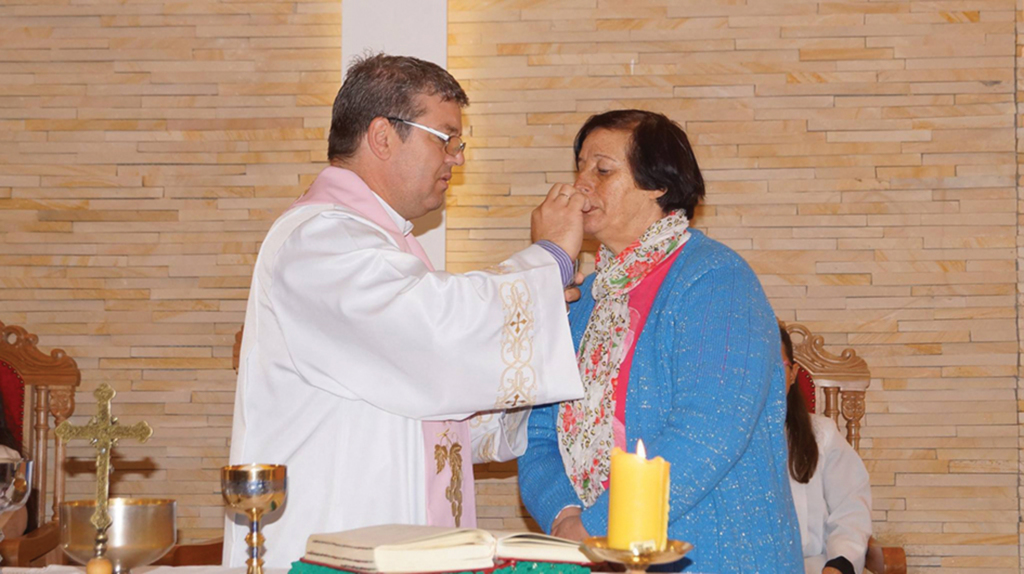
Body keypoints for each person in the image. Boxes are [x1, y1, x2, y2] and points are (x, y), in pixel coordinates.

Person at [225, 54, 589, 567]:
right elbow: (436, 334)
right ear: (382, 136)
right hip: (334, 542)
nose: (457, 158)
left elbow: (433, 387)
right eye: (445, 138)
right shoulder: (320, 239)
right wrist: (547, 260)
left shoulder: (381, 242)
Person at [517, 109, 802, 572]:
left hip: (715, 552)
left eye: (603, 170)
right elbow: (538, 431)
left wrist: (602, 525)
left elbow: (709, 432)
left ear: (659, 185)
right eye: (581, 168)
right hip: (590, 548)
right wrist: (565, 516)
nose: (580, 184)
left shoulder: (715, 279)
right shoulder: (584, 296)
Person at [781, 327, 872, 574]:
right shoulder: (722, 439)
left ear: (793, 374)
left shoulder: (821, 434)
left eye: (777, 365)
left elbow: (850, 509)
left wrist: (840, 562)